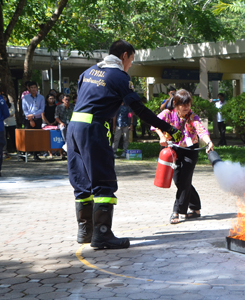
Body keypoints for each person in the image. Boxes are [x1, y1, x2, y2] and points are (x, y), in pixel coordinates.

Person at [67, 39, 182, 250]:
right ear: (124, 56)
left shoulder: (89, 72)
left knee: (82, 180)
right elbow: (140, 109)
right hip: (94, 130)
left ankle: (86, 231)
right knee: (104, 182)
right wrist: (169, 128)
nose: (130, 65)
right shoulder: (119, 76)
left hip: (73, 128)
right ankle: (102, 235)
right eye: (132, 60)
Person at [152, 89, 214, 224]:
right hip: (172, 151)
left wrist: (208, 142)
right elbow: (154, 123)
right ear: (175, 103)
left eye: (188, 104)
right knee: (179, 181)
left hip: (190, 151)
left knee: (185, 180)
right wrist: (162, 136)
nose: (186, 108)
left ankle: (178, 212)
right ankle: (196, 208)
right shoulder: (168, 114)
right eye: (183, 105)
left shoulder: (192, 116)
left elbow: (201, 130)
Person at [22, 81, 45, 161]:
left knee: (37, 137)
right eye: (31, 87)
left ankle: (36, 154)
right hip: (28, 120)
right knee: (28, 137)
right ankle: (25, 153)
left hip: (38, 119)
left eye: (35, 87)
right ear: (28, 89)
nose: (33, 89)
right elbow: (25, 110)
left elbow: (42, 109)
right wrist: (31, 118)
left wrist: (33, 115)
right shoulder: (25, 98)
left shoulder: (41, 97)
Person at [3, 94, 17, 158]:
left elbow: (12, 112)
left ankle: (15, 148)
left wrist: (6, 114)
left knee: (13, 136)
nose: (4, 99)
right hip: (4, 123)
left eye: (4, 97)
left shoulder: (11, 105)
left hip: (12, 123)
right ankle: (5, 150)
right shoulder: (0, 105)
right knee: (4, 137)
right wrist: (7, 114)